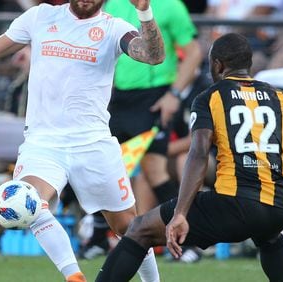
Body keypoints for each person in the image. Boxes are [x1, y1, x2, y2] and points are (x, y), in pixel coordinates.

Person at [0, 0, 164, 281]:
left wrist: (144, 11)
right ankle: (74, 277)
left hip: (93, 144)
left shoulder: (115, 28)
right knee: (27, 201)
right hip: (43, 144)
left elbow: (153, 56)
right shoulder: (39, 17)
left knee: (130, 228)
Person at [95, 33, 283, 282]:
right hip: (277, 207)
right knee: (269, 234)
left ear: (218, 65)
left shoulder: (211, 97)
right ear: (249, 64)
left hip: (233, 203)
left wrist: (180, 213)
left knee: (140, 229)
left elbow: (199, 152)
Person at [78, 0, 202, 259]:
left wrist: (174, 95)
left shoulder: (170, 5)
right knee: (104, 167)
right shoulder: (110, 4)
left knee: (154, 169)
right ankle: (100, 239)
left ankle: (187, 241)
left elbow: (193, 53)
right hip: (119, 98)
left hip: (153, 98)